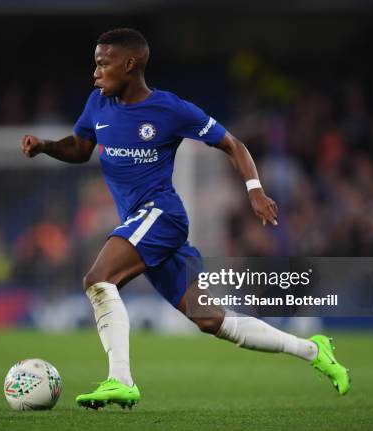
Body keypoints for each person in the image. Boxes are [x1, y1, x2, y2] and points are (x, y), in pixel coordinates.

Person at [21, 28, 350, 410]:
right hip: (145, 223)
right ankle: (313, 349)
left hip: (161, 214)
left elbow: (233, 144)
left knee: (98, 279)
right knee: (212, 321)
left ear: (130, 65)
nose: (95, 73)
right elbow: (80, 148)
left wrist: (254, 190)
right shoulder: (98, 104)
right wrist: (45, 147)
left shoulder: (170, 109)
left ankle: (120, 380)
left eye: (102, 64)